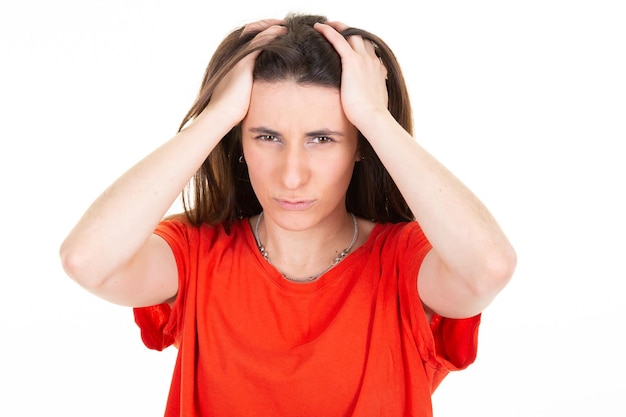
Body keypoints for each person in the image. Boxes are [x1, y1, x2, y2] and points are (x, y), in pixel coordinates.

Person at [60, 13, 517, 417]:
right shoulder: (197, 255)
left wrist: (375, 118)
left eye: (322, 139)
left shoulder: (403, 262)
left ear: (360, 146)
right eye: (266, 136)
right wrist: (217, 115)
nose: (292, 176)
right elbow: (87, 260)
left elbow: (488, 269)